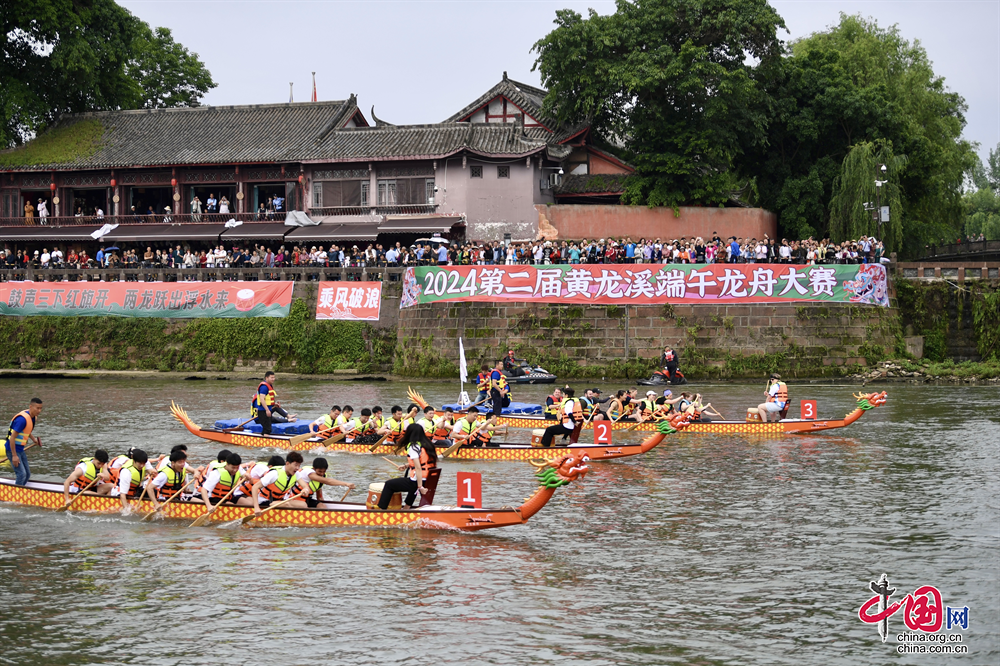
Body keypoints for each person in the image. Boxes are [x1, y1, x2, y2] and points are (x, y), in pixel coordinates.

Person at [377, 424, 437, 510]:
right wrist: (406, 466)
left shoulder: (413, 446)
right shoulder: (428, 445)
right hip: (430, 479)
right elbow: (424, 462)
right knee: (412, 483)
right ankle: (407, 508)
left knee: (389, 484)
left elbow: (418, 468)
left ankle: (382, 511)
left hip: (420, 480)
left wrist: (420, 487)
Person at [4, 398, 43, 486]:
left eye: (41, 408)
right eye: (37, 408)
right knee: (22, 474)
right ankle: (16, 495)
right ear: (30, 407)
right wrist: (14, 456)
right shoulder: (22, 420)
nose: (39, 411)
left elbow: (27, 430)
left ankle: (21, 489)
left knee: (27, 474)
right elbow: (12, 438)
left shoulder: (33, 418)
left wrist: (34, 440)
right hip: (12, 449)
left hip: (20, 449)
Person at [252, 371, 296, 435]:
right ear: (266, 378)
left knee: (266, 429)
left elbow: (267, 400)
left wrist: (274, 404)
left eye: (274, 377)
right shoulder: (264, 387)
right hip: (263, 411)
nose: (273, 379)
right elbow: (262, 399)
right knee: (268, 429)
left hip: (267, 410)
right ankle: (266, 443)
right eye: (271, 377)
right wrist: (267, 410)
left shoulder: (269, 385)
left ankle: (263, 440)